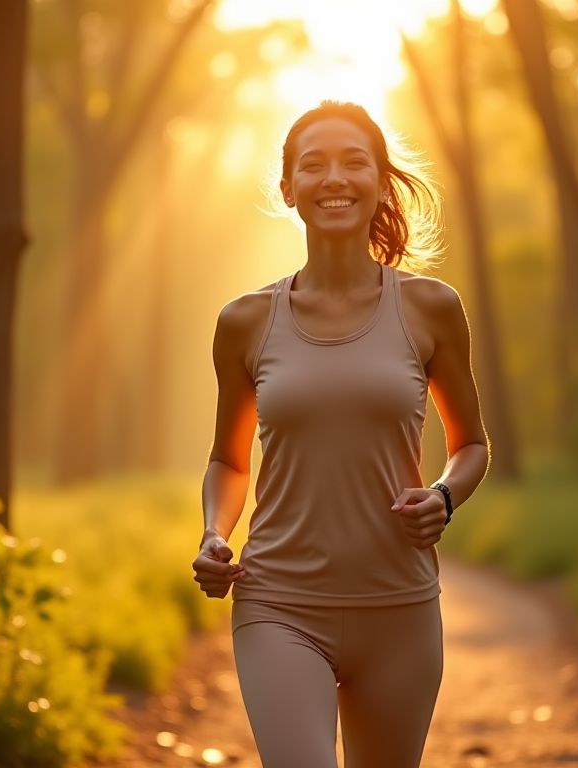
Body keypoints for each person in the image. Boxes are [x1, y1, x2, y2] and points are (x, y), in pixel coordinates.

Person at [192, 100, 490, 768]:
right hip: (279, 604)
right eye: (314, 164)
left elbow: (472, 445)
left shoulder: (430, 308)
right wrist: (215, 531)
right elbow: (228, 460)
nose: (335, 178)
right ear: (288, 187)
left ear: (381, 182)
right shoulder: (245, 321)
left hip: (400, 606)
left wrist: (443, 498)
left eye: (355, 162)